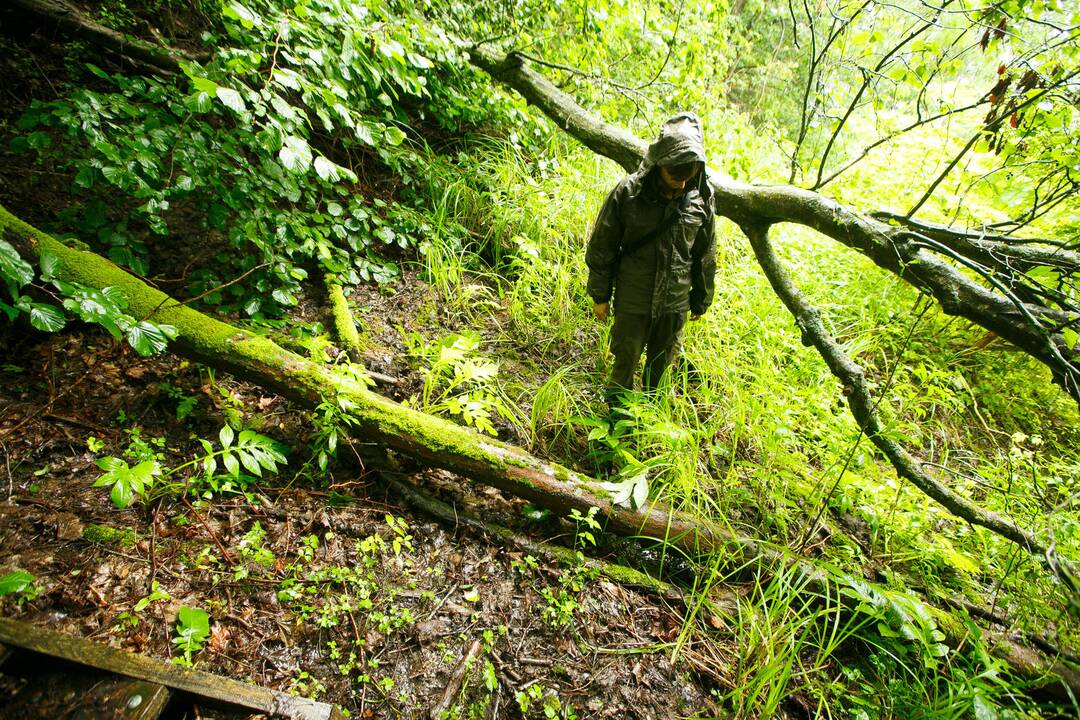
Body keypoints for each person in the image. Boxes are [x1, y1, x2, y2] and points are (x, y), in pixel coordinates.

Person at [585, 112, 716, 401]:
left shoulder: (701, 197)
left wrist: (701, 299)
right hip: (634, 299)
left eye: (688, 175)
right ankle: (616, 423)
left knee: (660, 370)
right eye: (675, 176)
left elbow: (705, 253)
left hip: (674, 303)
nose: (682, 184)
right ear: (660, 164)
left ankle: (648, 427)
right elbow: (602, 247)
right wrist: (600, 295)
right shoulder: (628, 193)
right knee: (624, 362)